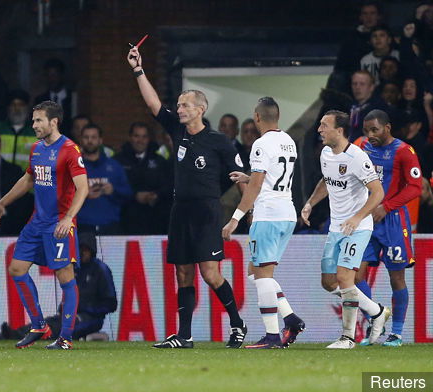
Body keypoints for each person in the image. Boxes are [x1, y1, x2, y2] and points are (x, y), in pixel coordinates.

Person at [128, 45, 247, 349]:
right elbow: (153, 103)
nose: (178, 109)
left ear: (200, 109)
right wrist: (138, 69)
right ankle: (185, 336)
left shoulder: (219, 142)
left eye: (184, 105)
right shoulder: (177, 132)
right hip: (180, 210)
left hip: (207, 211)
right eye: (179, 105)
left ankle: (237, 323)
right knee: (182, 273)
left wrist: (246, 211)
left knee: (209, 273)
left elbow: (241, 178)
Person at [0, 100, 88, 350]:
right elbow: (28, 179)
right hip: (36, 222)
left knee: (65, 278)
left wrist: (67, 218)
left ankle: (65, 337)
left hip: (59, 224)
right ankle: (39, 325)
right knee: (17, 269)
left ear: (54, 122)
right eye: (33, 120)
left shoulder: (70, 150)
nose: (34, 125)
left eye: (38, 120)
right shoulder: (37, 149)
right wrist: (1, 204)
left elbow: (82, 188)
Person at [301, 110, 390, 349]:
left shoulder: (357, 157)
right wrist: (310, 203)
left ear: (339, 131)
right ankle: (376, 311)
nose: (319, 129)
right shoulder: (326, 154)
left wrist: (358, 216)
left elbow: (378, 192)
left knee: (344, 277)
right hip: (336, 226)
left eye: (324, 125)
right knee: (329, 282)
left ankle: (347, 338)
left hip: (358, 226)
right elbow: (326, 181)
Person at [222, 97, 305, 349]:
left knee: (263, 276)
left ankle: (271, 336)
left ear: (257, 117)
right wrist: (249, 175)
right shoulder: (288, 141)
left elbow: (256, 187)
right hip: (287, 213)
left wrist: (234, 219)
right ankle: (290, 318)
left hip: (268, 215)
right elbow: (272, 177)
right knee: (256, 272)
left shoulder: (260, 144)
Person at [0, 231, 117, 341]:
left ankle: (14, 335)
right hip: (70, 314)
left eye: (85, 250)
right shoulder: (76, 268)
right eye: (79, 249)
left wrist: (85, 308)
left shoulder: (100, 270)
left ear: (92, 250)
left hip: (91, 319)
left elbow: (111, 304)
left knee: (57, 325)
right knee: (47, 323)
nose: (81, 253)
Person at [354, 110, 422, 347]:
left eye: (375, 130)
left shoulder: (404, 151)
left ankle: (397, 334)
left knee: (396, 278)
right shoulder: (361, 146)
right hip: (367, 218)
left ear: (387, 128)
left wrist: (387, 206)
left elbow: (415, 187)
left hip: (393, 221)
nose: (370, 135)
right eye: (366, 131)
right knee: (355, 275)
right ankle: (375, 319)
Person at [115, 122, 172, 235]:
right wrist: (135, 195)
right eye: (136, 136)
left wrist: (156, 194)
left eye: (144, 136)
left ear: (149, 139)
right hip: (126, 220)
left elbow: (168, 185)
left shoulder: (159, 161)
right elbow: (115, 188)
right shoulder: (118, 161)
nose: (140, 140)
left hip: (155, 220)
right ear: (130, 137)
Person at [78, 124, 132, 235]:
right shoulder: (74, 167)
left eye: (93, 137)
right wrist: (82, 194)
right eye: (86, 137)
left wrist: (113, 191)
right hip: (83, 227)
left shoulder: (115, 166)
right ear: (81, 140)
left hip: (110, 227)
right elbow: (61, 197)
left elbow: (128, 194)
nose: (90, 141)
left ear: (100, 140)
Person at [0, 89, 38, 172]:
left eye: (21, 105)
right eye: (13, 105)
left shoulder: (37, 132)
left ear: (27, 108)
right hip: (0, 179)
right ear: (8, 108)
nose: (17, 109)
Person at [35, 59, 73, 136]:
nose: (52, 79)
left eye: (55, 75)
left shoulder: (73, 98)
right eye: (49, 76)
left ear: (62, 76)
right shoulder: (40, 100)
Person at [349, 70, 390, 141]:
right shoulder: (350, 106)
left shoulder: (379, 109)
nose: (357, 87)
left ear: (371, 87)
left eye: (362, 84)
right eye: (354, 84)